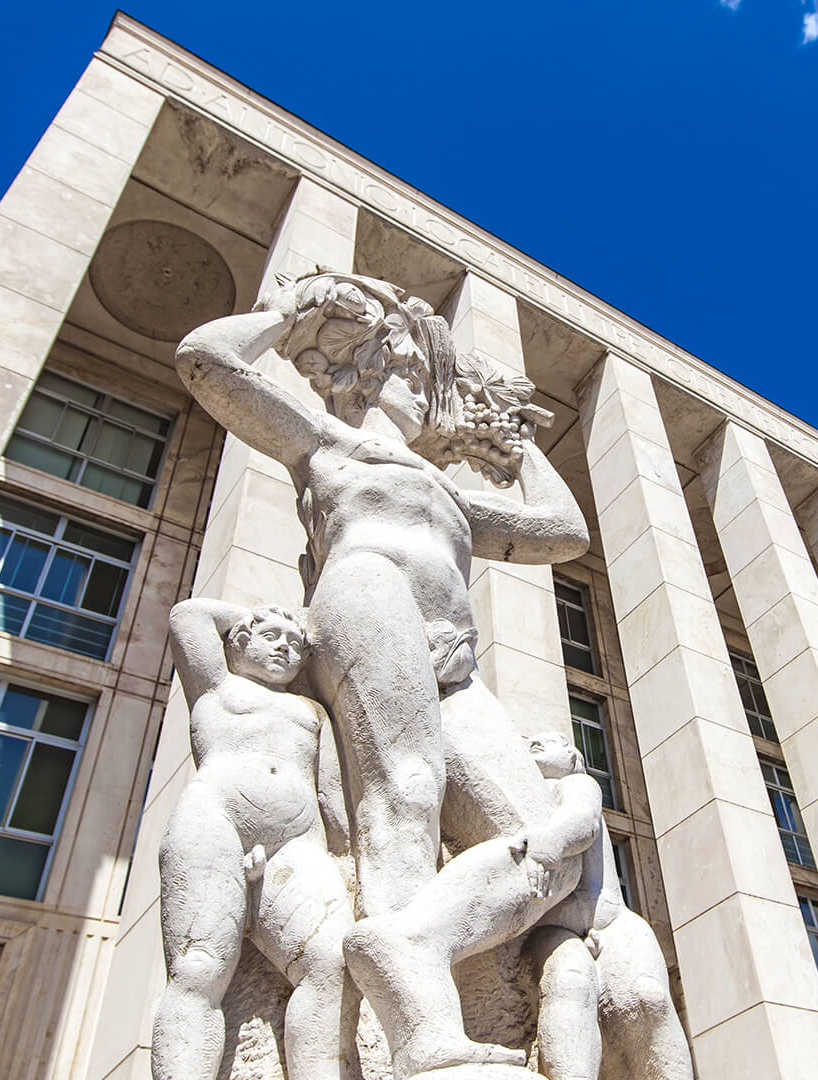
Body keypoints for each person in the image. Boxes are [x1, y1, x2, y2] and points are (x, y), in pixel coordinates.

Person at [176, 272, 592, 1078]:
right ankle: (416, 1033)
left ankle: (410, 941)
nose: (426, 395)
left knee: (545, 839)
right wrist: (288, 312)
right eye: (409, 374)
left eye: (428, 380)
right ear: (364, 371)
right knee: (406, 786)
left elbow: (565, 532)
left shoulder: (449, 492)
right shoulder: (327, 441)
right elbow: (205, 359)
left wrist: (514, 442)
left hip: (452, 650)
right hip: (367, 590)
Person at [153, 600, 357, 1080]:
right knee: (199, 969)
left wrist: (351, 857)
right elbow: (188, 616)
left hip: (297, 843)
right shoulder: (216, 685)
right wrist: (278, 615)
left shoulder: (313, 712)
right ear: (240, 641)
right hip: (216, 822)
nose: (285, 648)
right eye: (271, 638)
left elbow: (331, 794)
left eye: (296, 645)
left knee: (331, 963)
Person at [521, 733, 693, 1080]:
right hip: (553, 931)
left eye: (547, 742)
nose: (533, 745)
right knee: (569, 985)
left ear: (573, 757)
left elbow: (583, 821)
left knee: (650, 998)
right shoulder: (520, 791)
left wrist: (551, 843)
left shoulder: (577, 784)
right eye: (529, 745)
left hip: (613, 923)